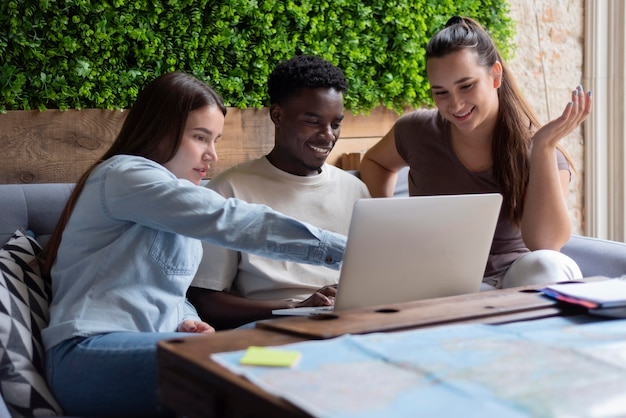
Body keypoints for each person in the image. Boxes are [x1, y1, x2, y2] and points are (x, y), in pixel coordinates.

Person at [40, 72, 347, 417]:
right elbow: (235, 221)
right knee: (248, 356)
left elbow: (163, 286)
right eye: (201, 137)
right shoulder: (124, 175)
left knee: (283, 338)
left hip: (148, 347)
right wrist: (348, 252)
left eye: (214, 140)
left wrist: (184, 318)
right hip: (88, 354)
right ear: (160, 129)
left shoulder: (173, 198)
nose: (212, 155)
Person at [360, 16, 592, 290]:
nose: (455, 104)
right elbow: (375, 162)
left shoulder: (538, 149)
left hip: (515, 278)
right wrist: (390, 222)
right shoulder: (417, 131)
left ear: (495, 75)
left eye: (466, 86)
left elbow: (547, 245)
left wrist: (543, 148)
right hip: (441, 276)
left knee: (548, 265)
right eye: (441, 92)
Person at [188, 55, 370, 330]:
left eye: (335, 124)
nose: (328, 135)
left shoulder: (356, 190)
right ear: (278, 115)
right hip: (276, 329)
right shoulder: (229, 190)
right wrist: (294, 309)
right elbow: (206, 300)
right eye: (313, 121)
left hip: (356, 323)